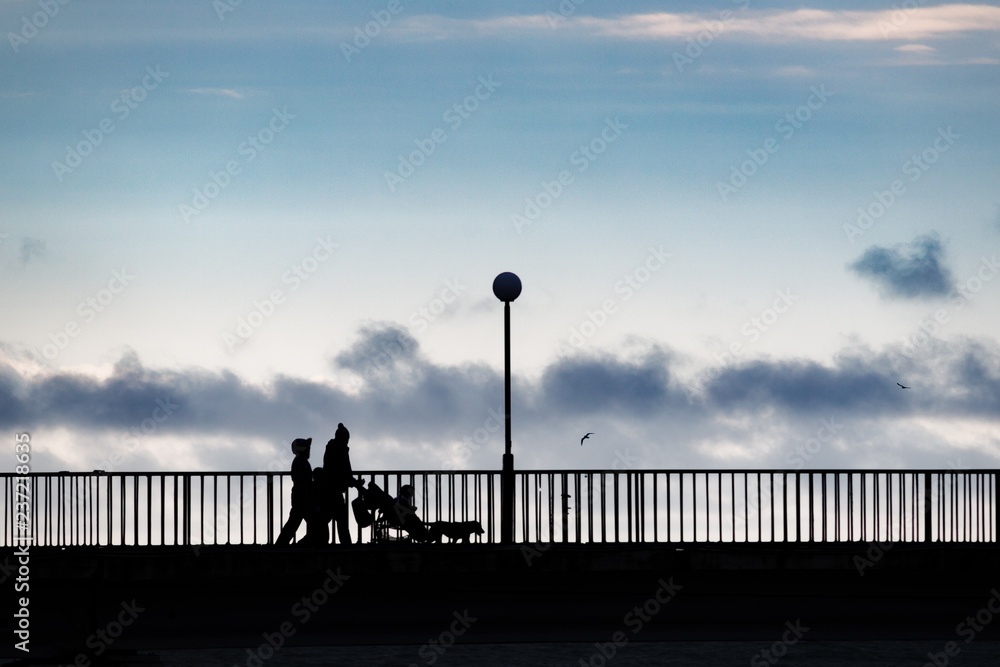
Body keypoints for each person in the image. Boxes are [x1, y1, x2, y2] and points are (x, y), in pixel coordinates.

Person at [323, 423, 362, 545]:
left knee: (325, 519)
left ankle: (322, 542)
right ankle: (347, 546)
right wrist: (355, 483)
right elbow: (345, 472)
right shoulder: (341, 450)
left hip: (328, 488)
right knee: (341, 520)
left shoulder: (331, 447)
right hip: (335, 490)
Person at [275, 437, 312, 546]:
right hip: (302, 497)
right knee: (296, 523)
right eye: (307, 448)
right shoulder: (301, 462)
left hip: (301, 497)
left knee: (294, 523)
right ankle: (281, 546)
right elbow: (304, 481)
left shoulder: (300, 461)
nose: (309, 450)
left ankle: (280, 546)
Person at [300, 466, 329, 546]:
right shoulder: (324, 488)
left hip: (315, 513)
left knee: (315, 531)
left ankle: (307, 542)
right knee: (321, 532)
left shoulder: (311, 487)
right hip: (318, 513)